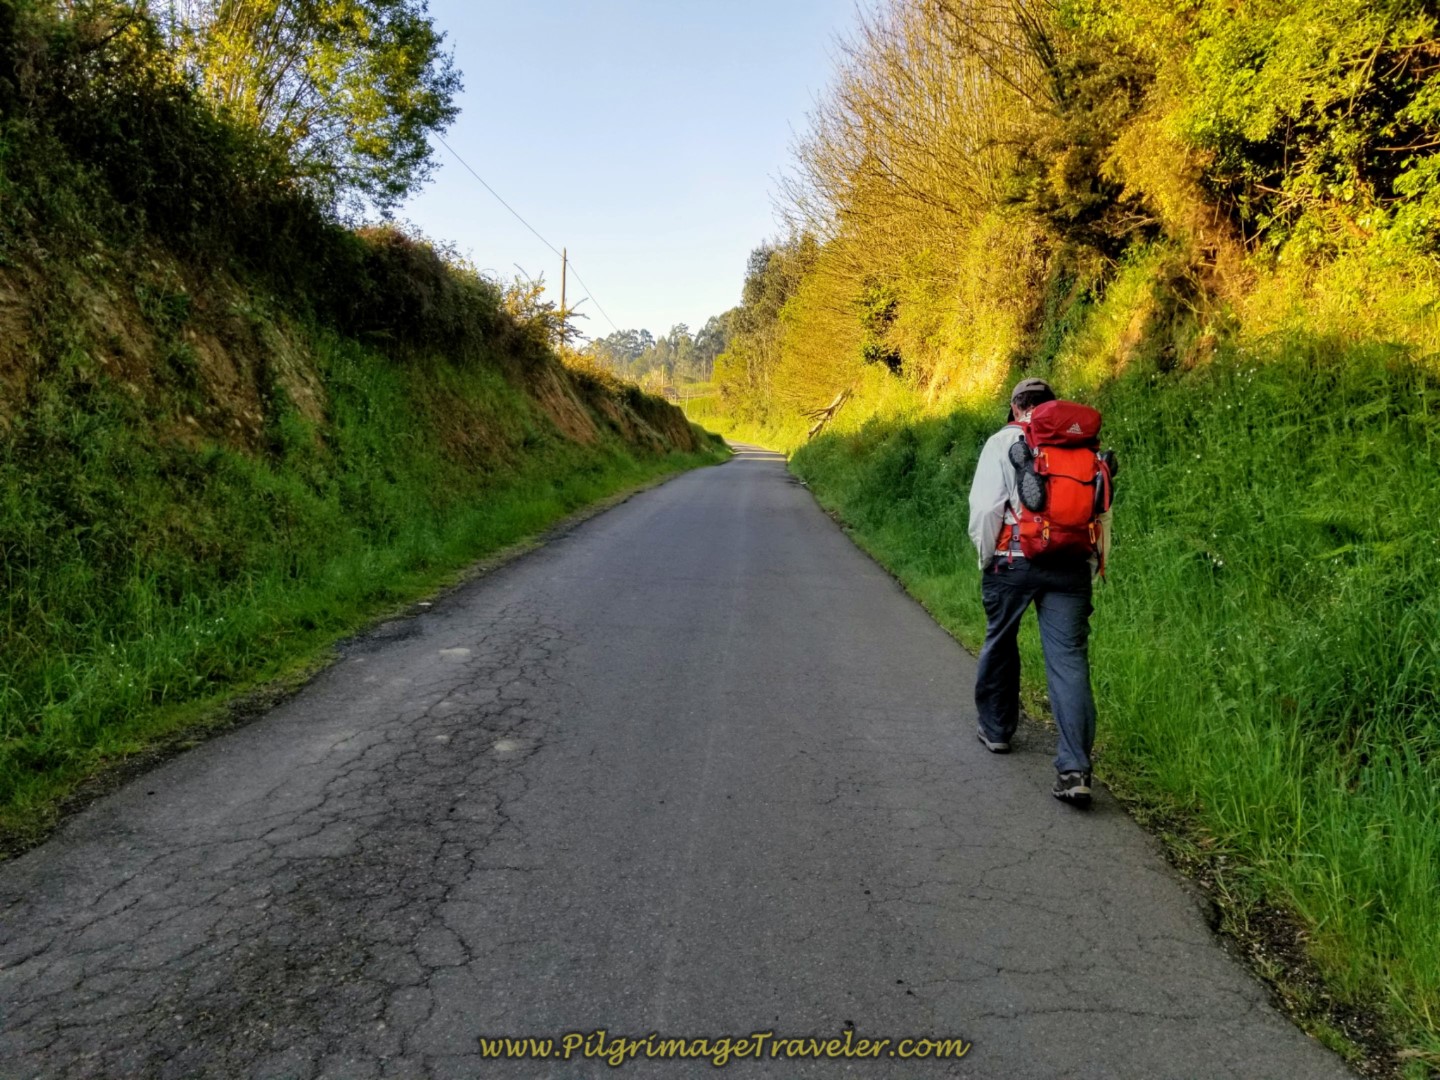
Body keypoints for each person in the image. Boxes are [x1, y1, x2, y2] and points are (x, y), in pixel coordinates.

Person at [966, 377, 1104, 807]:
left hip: (1012, 561)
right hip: (1071, 565)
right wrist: (1093, 565)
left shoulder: (1002, 441)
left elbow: (986, 509)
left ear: (1015, 406)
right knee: (1068, 662)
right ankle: (1075, 769)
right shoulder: (1083, 448)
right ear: (1052, 406)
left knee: (1001, 640)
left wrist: (985, 558)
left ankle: (997, 729)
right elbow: (1100, 512)